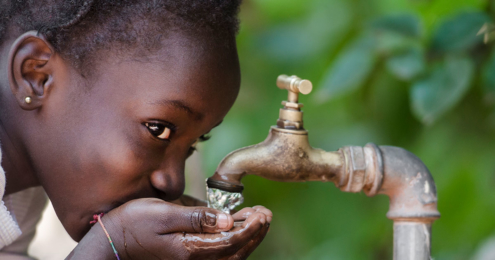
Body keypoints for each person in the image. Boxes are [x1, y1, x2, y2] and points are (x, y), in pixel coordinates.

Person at [0, 0, 273, 259]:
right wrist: (112, 245)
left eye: (192, 145)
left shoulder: (19, 194)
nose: (172, 183)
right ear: (36, 76)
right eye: (158, 130)